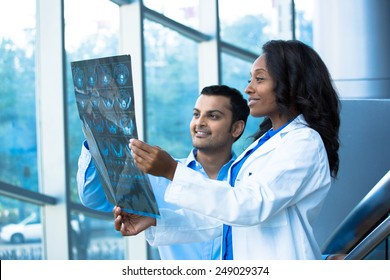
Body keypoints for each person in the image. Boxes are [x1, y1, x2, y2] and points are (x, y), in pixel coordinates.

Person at [122, 39, 341, 260]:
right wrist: (155, 221)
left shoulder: (304, 142)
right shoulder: (264, 143)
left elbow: (250, 205)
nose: (248, 88)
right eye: (250, 79)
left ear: (291, 83)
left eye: (260, 79)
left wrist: (172, 171)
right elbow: (224, 220)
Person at [77, 84, 250, 259]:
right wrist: (96, 136)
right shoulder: (158, 174)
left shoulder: (248, 180)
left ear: (236, 128)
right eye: (196, 114)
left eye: (213, 116)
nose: (200, 123)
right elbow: (93, 198)